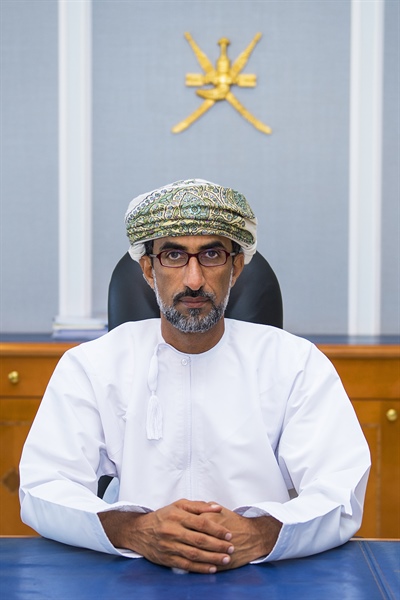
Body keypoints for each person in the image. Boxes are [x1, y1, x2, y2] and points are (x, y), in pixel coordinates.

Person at [19, 179, 370, 574]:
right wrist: (134, 529)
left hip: (259, 576)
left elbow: (340, 490)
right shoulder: (92, 366)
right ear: (148, 269)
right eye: (173, 255)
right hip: (138, 577)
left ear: (236, 267)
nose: (193, 280)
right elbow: (43, 486)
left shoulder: (295, 363)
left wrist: (260, 533)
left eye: (211, 255)